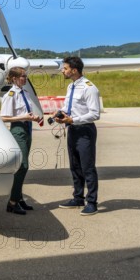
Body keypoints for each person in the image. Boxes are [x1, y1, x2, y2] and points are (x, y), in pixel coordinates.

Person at [55, 56, 101, 216]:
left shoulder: (89, 88)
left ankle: (92, 202)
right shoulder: (70, 86)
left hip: (85, 131)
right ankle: (78, 198)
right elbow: (69, 106)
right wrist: (61, 113)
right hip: (72, 129)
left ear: (74, 70)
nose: (62, 70)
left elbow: (95, 114)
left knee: (87, 167)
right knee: (74, 166)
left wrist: (74, 119)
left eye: (65, 68)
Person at [0, 67, 41, 215]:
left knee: (23, 166)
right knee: (22, 166)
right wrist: (24, 118)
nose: (25, 78)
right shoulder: (10, 95)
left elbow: (25, 112)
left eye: (25, 76)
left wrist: (33, 117)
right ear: (14, 78)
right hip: (18, 130)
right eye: (23, 76)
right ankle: (12, 202)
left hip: (27, 128)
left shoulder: (25, 93)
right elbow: (4, 117)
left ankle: (19, 198)